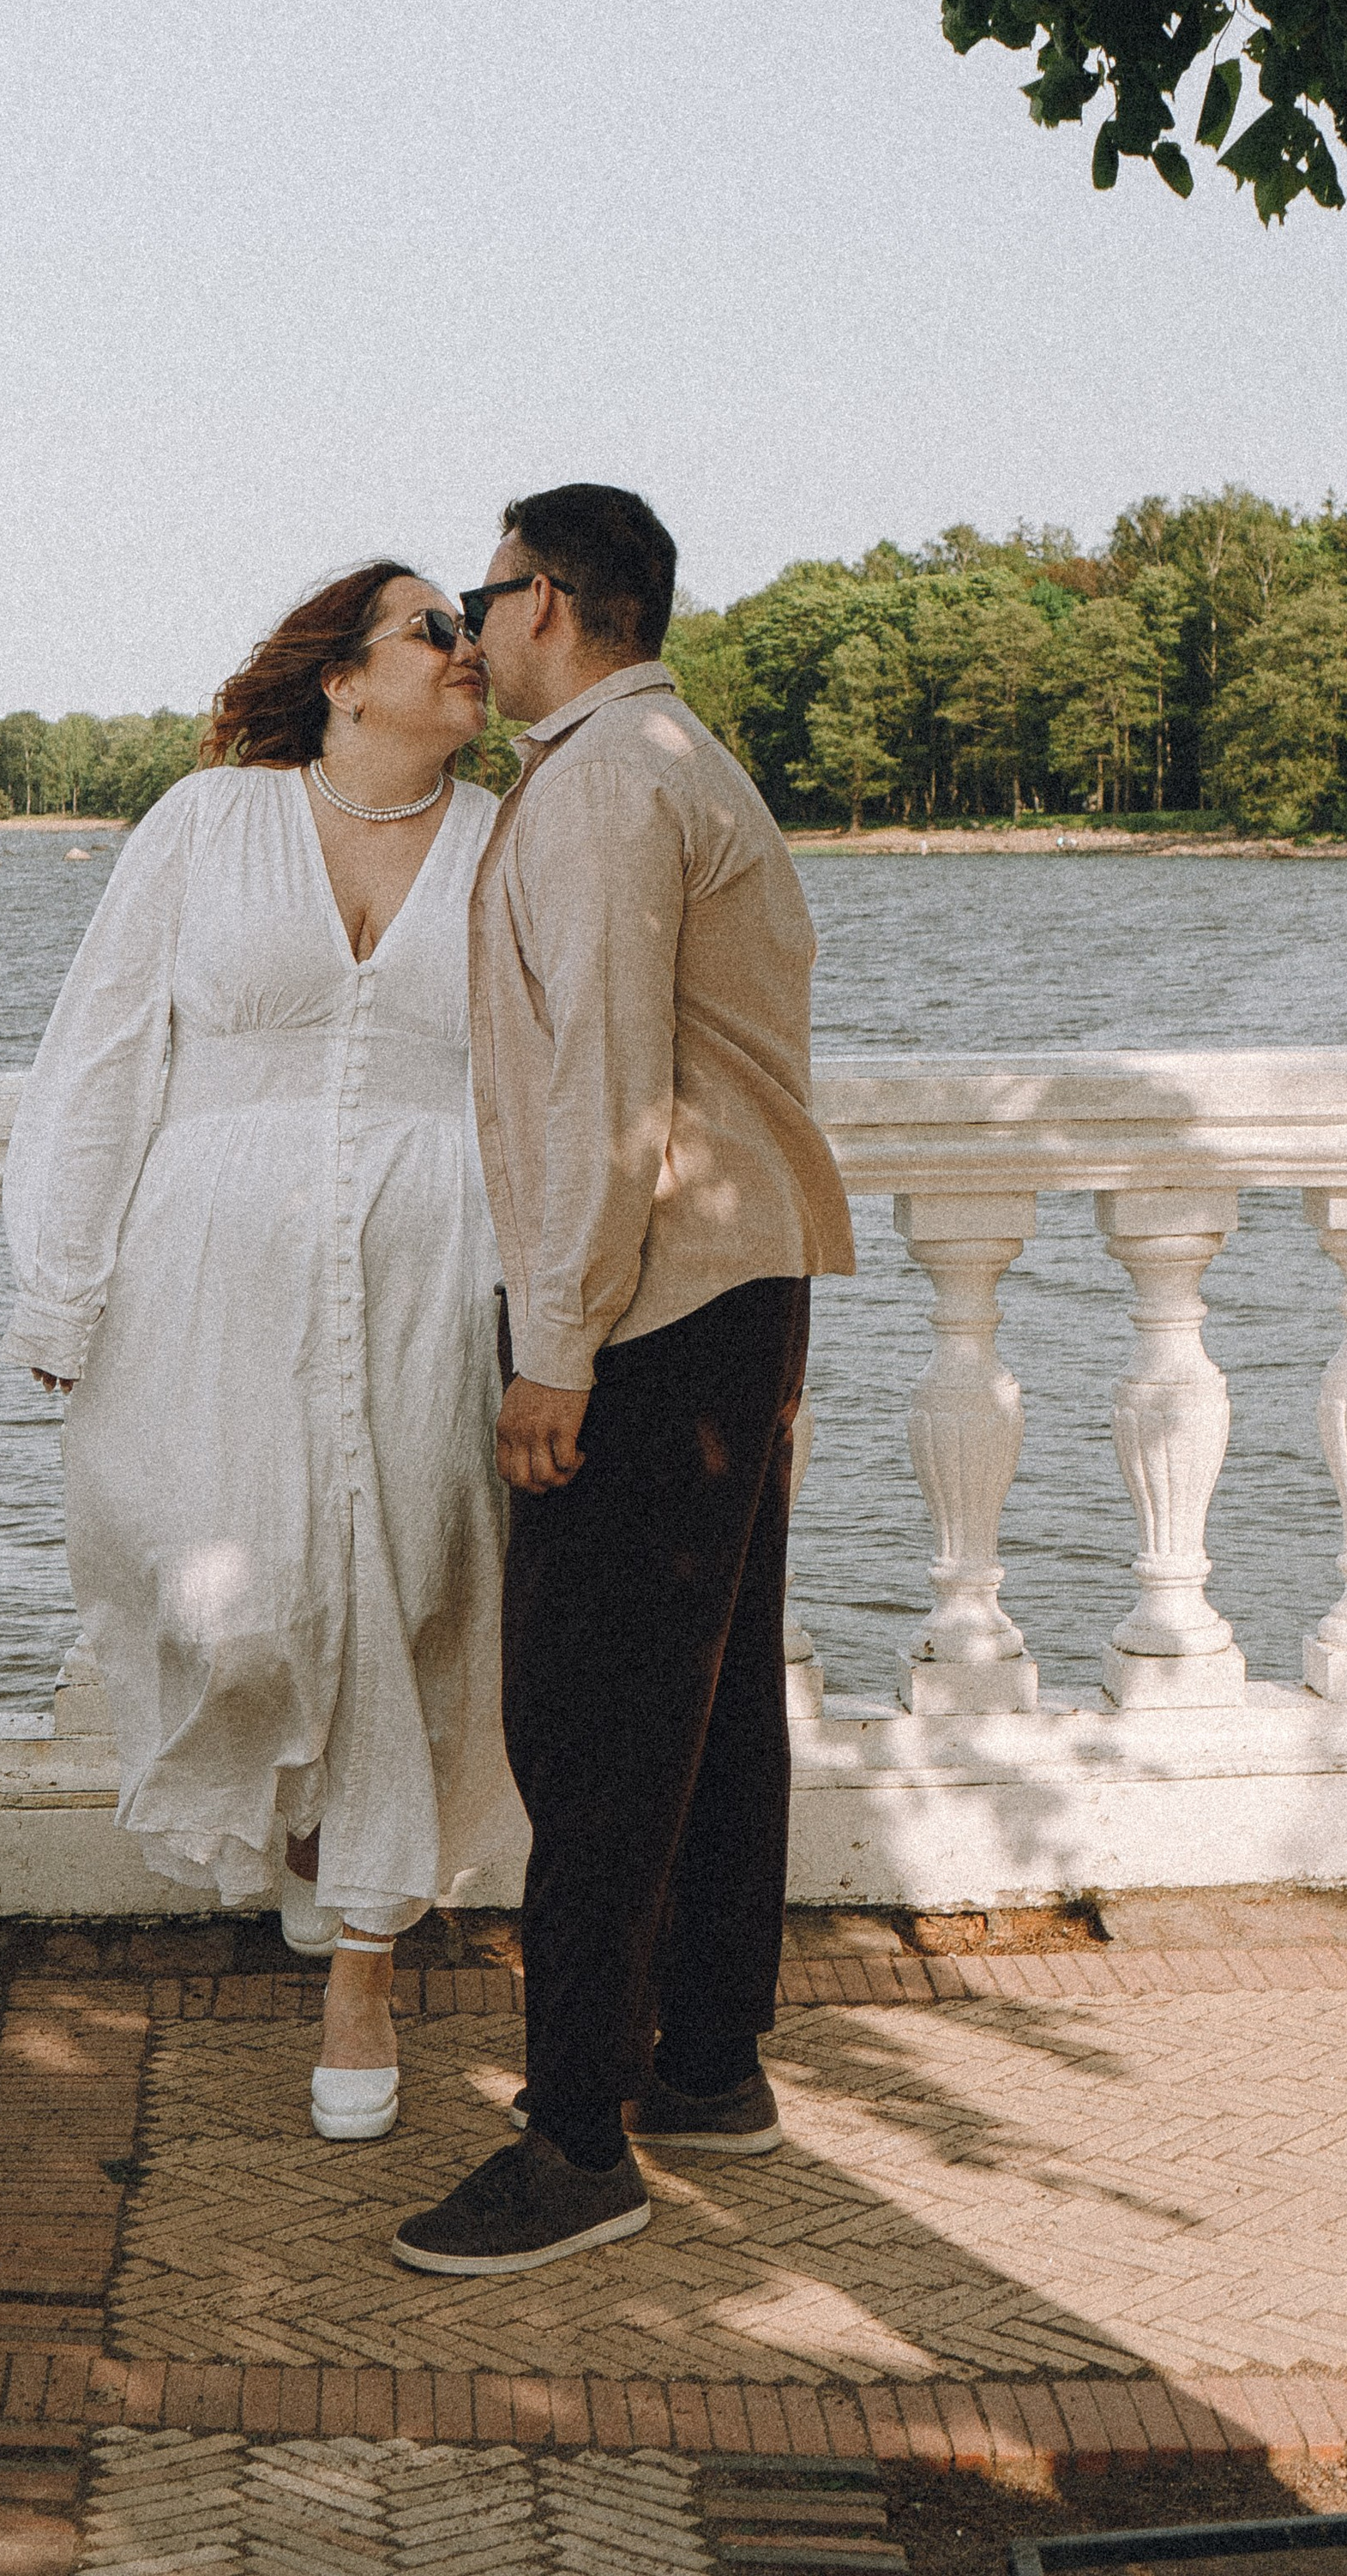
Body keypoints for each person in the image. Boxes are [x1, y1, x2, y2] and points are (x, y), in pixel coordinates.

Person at [390, 484, 856, 2279]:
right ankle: (705, 2061)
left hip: (656, 1308)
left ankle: (577, 2139)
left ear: (555, 603)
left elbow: (601, 1092)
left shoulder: (598, 786)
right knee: (712, 1701)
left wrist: (553, 1349)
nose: (467, 629)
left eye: (480, 595)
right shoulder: (671, 758)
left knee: (586, 1725)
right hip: (729, 1292)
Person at [0, 561, 519, 2145]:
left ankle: (367, 1959)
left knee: (415, 1588)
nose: (469, 648)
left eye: (477, 626)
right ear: (342, 678)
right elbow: (98, 1053)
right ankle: (311, 1840)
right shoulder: (204, 823)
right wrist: (60, 1287)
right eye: (435, 627)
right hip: (204, 1283)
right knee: (231, 1599)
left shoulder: (508, 845)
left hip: (435, 1270)